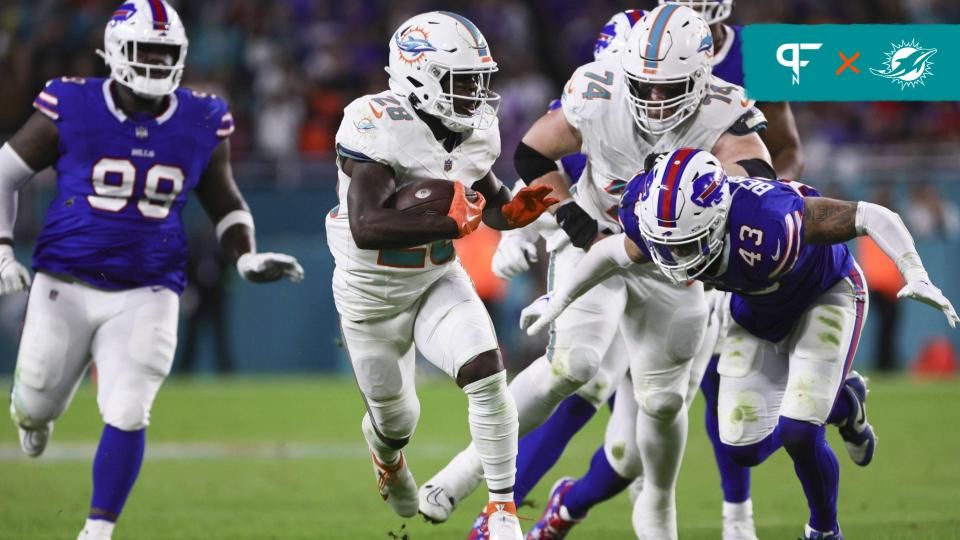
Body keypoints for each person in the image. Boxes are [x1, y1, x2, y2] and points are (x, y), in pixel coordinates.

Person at [418, 6, 773, 539]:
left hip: (673, 265)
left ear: (702, 79)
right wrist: (575, 223)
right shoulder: (596, 92)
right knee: (573, 365)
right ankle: (464, 473)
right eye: (643, 86)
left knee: (663, 400)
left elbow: (759, 174)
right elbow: (533, 155)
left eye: (668, 87)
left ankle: (656, 509)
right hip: (600, 242)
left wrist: (723, 200)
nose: (654, 100)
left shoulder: (726, 106)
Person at [520, 149, 958, 539]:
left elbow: (869, 215)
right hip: (754, 313)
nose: (677, 258)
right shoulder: (654, 213)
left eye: (688, 243)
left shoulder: (768, 217)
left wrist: (915, 272)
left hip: (823, 294)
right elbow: (610, 254)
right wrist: (558, 301)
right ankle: (845, 404)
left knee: (799, 430)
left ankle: (823, 528)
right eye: (668, 245)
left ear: (715, 217)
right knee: (741, 448)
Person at [1, 2, 304, 539]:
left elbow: (225, 201)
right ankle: (35, 419)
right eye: (148, 52)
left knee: (129, 406)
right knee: (34, 401)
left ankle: (98, 530)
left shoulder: (201, 117)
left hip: (149, 287)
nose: (159, 63)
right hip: (64, 283)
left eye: (168, 54)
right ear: (117, 51)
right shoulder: (71, 102)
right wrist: (3, 249)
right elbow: (5, 175)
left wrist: (245, 253)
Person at [324, 11, 556, 540]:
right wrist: (440, 217)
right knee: (396, 423)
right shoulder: (377, 122)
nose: (476, 94)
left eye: (479, 80)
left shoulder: (475, 131)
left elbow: (484, 196)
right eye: (462, 81)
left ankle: (501, 511)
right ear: (418, 77)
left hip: (434, 278)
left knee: (487, 374)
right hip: (370, 299)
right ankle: (386, 457)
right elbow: (366, 225)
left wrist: (510, 212)